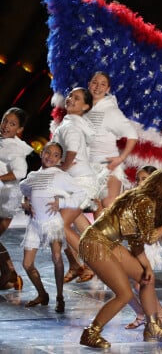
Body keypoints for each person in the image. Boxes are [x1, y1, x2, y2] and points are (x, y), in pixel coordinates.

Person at [77, 169, 162, 348]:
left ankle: (152, 327)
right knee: (124, 294)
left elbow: (136, 240)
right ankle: (91, 332)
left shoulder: (143, 200)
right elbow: (149, 237)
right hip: (95, 243)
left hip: (109, 243)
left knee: (146, 277)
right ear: (160, 185)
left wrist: (147, 266)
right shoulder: (145, 201)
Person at [19, 142, 87, 313]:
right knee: (27, 264)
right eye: (48, 152)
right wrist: (24, 202)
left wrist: (62, 202)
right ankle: (42, 294)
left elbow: (81, 193)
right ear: (41, 153)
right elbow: (23, 190)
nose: (51, 156)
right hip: (34, 224)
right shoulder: (33, 175)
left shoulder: (60, 175)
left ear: (59, 159)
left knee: (57, 258)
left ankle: (60, 297)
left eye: (56, 155)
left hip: (52, 224)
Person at [51, 87, 97, 283]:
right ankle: (79, 265)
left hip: (78, 183)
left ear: (85, 106)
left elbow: (71, 152)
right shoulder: (74, 123)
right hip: (75, 182)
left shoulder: (71, 126)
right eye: (70, 95)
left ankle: (95, 262)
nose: (70, 99)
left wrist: (61, 169)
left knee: (58, 224)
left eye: (77, 98)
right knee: (75, 224)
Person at [124, 165, 162, 330]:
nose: (139, 182)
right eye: (138, 179)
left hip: (147, 247)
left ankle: (158, 312)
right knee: (124, 284)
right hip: (135, 245)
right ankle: (147, 313)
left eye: (144, 179)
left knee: (140, 284)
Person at [85, 71, 138, 215]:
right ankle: (102, 238)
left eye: (103, 84)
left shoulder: (111, 110)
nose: (97, 87)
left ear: (108, 89)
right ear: (89, 84)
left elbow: (132, 135)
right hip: (89, 167)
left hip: (108, 165)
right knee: (97, 211)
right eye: (95, 82)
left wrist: (121, 158)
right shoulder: (82, 108)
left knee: (108, 203)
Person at [0, 107, 33, 290]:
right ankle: (9, 275)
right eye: (5, 120)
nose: (6, 126)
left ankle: (10, 274)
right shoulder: (2, 142)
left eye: (12, 124)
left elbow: (20, 172)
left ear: (19, 129)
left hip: (6, 199)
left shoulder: (15, 148)